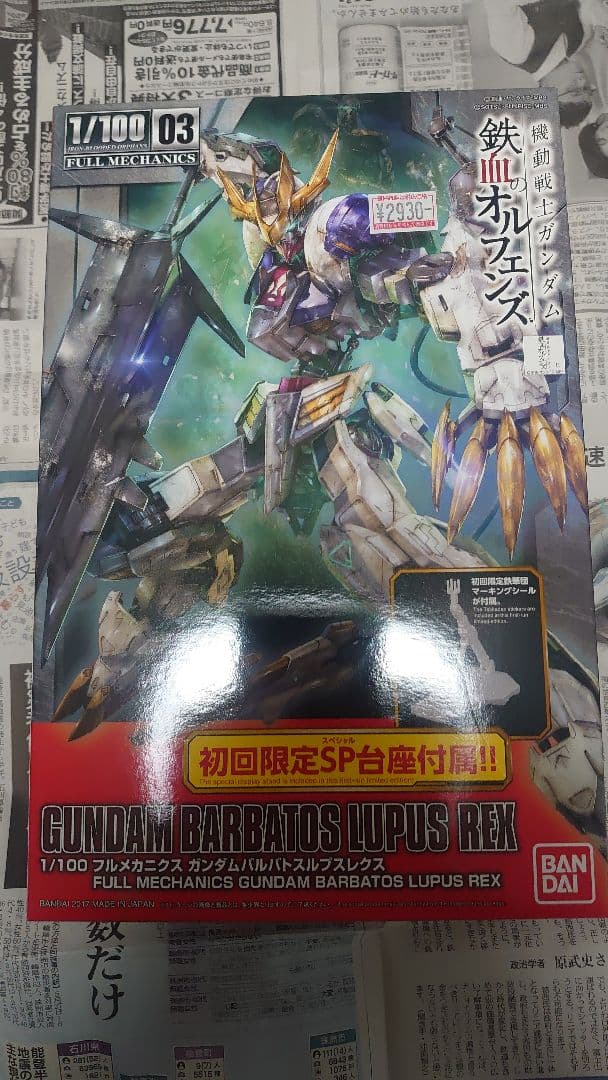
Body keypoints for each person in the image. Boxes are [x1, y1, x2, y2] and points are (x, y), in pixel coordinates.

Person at [483, 0, 601, 127]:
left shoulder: (516, 50)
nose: (582, 80)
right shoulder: (577, 41)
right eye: (587, 89)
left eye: (573, 89)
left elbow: (496, 3)